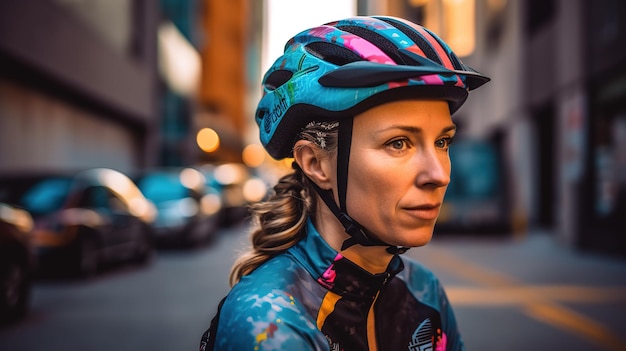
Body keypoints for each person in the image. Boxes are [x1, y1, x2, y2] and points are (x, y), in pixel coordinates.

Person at [200, 15, 489, 351]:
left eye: (442, 142)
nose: (438, 175)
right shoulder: (268, 322)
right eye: (398, 143)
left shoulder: (424, 290)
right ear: (315, 163)